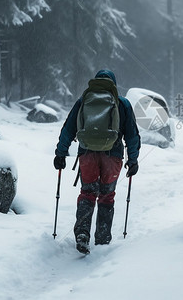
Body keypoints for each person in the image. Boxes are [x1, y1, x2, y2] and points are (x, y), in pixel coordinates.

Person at [53, 69, 140, 254]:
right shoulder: (122, 103)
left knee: (87, 193)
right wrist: (133, 160)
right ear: (114, 83)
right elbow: (132, 135)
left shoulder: (84, 100)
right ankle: (102, 240)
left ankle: (82, 234)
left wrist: (61, 153)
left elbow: (68, 128)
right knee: (107, 196)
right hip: (113, 156)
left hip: (87, 154)